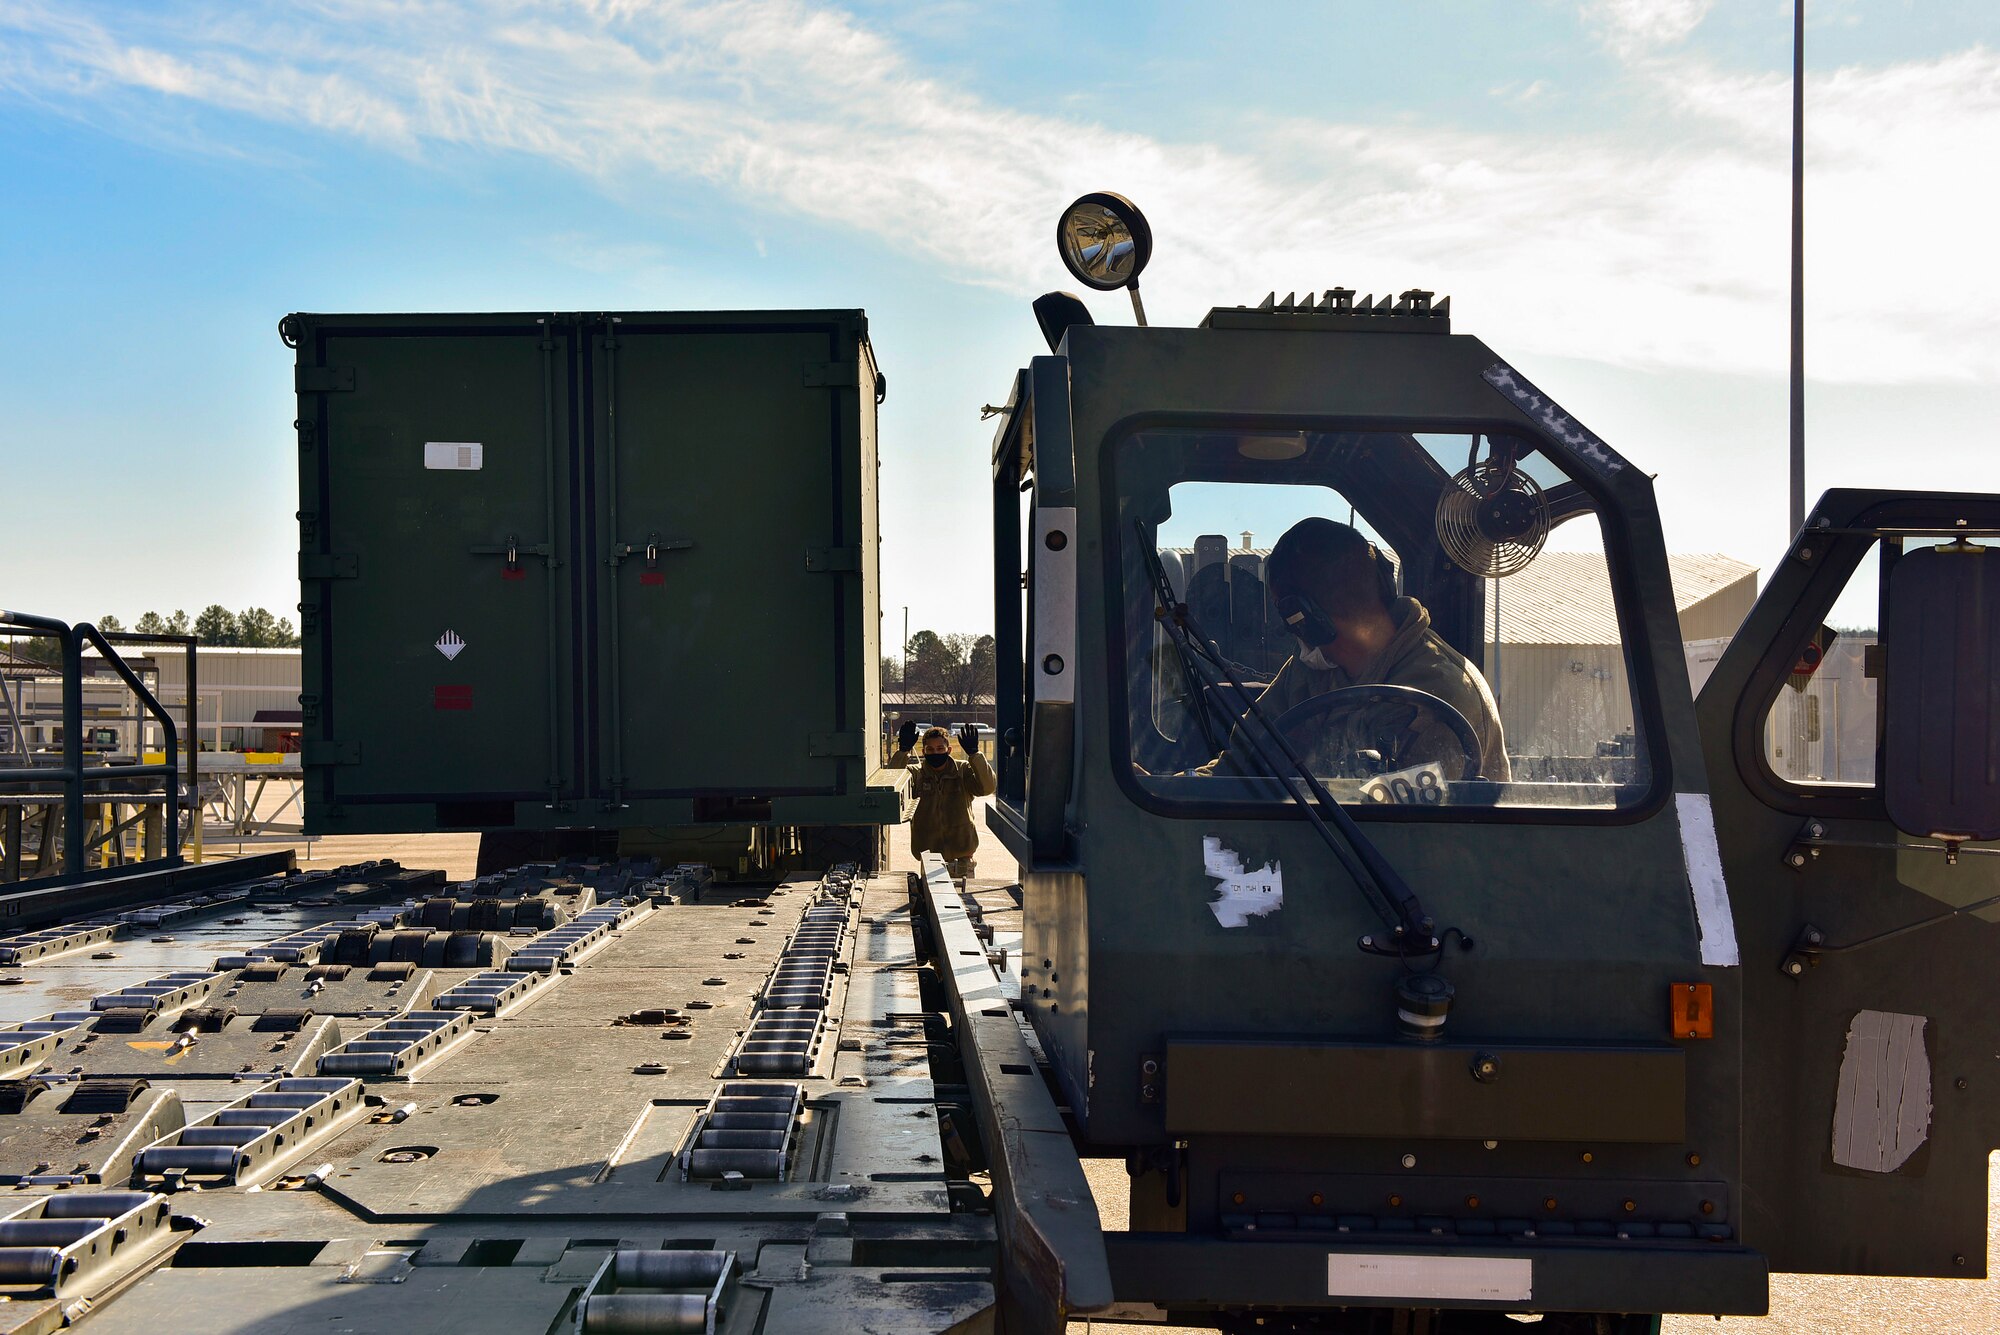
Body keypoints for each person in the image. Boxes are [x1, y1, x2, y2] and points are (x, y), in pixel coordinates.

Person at [1196, 517, 1509, 782]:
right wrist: (1176, 791)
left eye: (1290, 617)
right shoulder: (1314, 669)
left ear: (1307, 617)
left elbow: (1398, 832)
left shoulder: (1437, 697)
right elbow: (1242, 761)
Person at [888, 724, 996, 879]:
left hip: (962, 859)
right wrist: (902, 751)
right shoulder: (917, 775)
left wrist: (975, 754)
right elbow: (892, 782)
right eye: (930, 750)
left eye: (940, 748)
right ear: (923, 751)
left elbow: (987, 788)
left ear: (949, 750)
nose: (935, 753)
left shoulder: (962, 771)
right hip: (929, 857)